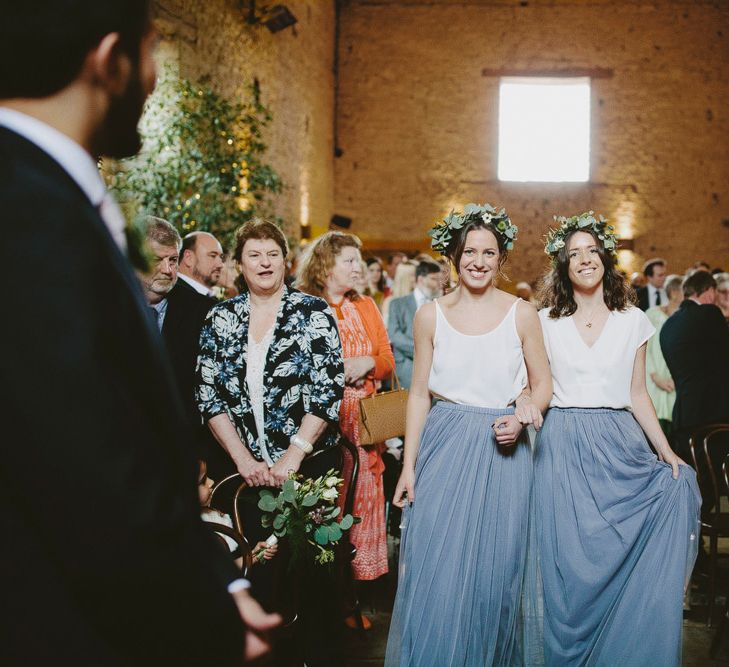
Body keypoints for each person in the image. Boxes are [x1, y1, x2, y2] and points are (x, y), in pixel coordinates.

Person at [0, 2, 278, 664]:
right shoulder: (26, 205)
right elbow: (81, 453)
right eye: (151, 53)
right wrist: (201, 605)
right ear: (109, 60)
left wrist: (219, 575)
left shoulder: (49, 188)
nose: (153, 78)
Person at [385, 204, 552, 666]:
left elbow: (543, 386)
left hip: (505, 449)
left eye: (490, 252)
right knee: (440, 568)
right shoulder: (429, 317)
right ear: (454, 257)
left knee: (497, 574)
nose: (479, 261)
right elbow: (418, 395)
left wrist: (521, 419)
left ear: (502, 260)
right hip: (444, 444)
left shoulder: (522, 313)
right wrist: (409, 467)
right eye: (470, 251)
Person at [536, 212, 700, 666]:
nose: (584, 260)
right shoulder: (544, 320)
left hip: (619, 445)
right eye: (574, 254)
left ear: (606, 259)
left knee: (621, 544)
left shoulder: (633, 321)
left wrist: (666, 452)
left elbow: (636, 393)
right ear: (563, 266)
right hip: (561, 445)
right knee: (566, 561)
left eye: (592, 251)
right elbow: (533, 388)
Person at [195, 218, 345, 666]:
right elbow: (208, 394)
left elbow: (328, 389)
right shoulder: (220, 317)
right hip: (244, 475)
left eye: (272, 254)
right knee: (257, 576)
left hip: (308, 468)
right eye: (254, 255)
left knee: (311, 580)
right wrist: (243, 460)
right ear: (239, 265)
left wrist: (293, 456)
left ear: (286, 260)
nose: (264, 262)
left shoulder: (312, 313)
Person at [296, 232, 395, 601]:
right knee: (326, 502)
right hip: (322, 419)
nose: (358, 268)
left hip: (364, 418)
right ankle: (324, 593)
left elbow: (387, 359)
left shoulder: (366, 305)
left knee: (362, 500)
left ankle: (353, 593)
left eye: (358, 260)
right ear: (325, 265)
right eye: (349, 261)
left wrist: (368, 362)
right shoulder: (303, 305)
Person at [660, 270, 729, 469]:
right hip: (713, 413)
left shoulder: (669, 324)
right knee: (716, 480)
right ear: (709, 291)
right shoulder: (709, 313)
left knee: (696, 479)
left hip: (684, 413)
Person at [198, 460, 278, 570]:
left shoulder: (213, 518)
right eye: (202, 481)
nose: (211, 482)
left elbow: (222, 569)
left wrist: (253, 555)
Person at [387, 259, 442, 389]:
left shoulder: (441, 304)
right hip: (407, 368)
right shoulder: (397, 304)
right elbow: (395, 335)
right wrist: (425, 350)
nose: (439, 284)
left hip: (436, 372)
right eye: (434, 279)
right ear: (421, 279)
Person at [645, 274, 683, 436]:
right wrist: (655, 376)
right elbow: (645, 349)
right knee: (655, 431)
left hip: (677, 382)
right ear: (673, 292)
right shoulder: (652, 314)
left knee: (675, 432)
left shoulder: (685, 317)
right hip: (653, 378)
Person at [179, 230, 225, 297]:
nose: (220, 265)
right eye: (212, 256)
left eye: (221, 257)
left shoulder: (208, 295)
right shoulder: (174, 296)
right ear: (188, 258)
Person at [382, 259, 418, 325]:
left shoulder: (421, 299)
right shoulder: (389, 302)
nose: (418, 278)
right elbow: (387, 329)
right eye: (414, 275)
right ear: (404, 277)